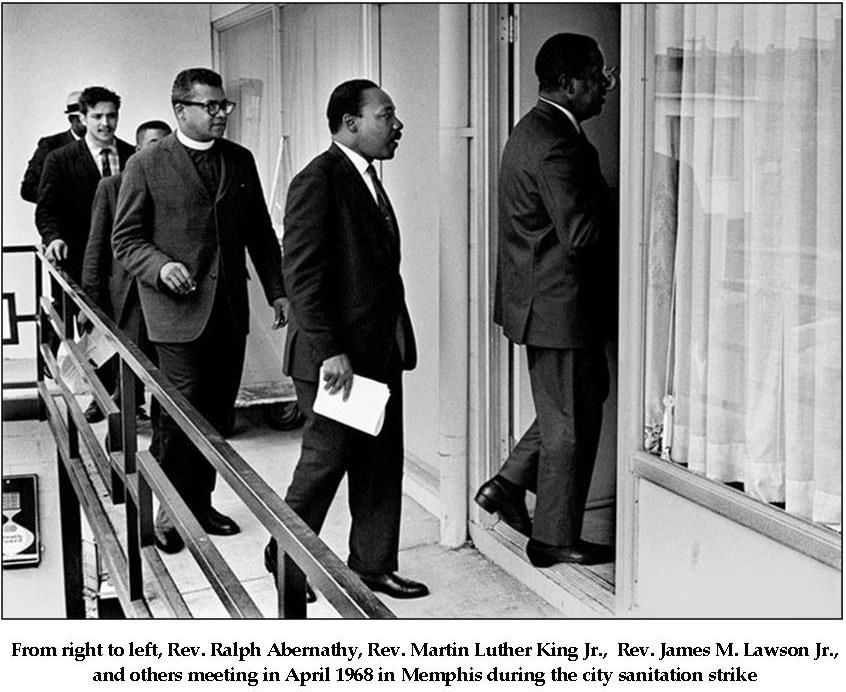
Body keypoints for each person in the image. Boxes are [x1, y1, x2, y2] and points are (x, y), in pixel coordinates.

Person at [112, 68, 286, 555]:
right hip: (174, 316)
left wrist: (278, 290)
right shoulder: (147, 164)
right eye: (209, 106)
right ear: (180, 110)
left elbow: (260, 235)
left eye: (223, 105)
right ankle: (167, 512)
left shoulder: (240, 160)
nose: (220, 114)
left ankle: (201, 503)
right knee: (176, 416)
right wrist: (161, 266)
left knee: (214, 415)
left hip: (228, 312)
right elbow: (125, 240)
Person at [268, 79, 428, 600]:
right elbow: (303, 277)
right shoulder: (318, 180)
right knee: (325, 463)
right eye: (387, 115)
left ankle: (373, 564)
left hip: (377, 352)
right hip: (337, 360)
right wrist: (330, 349)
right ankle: (285, 553)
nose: (397, 125)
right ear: (350, 123)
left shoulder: (366, 179)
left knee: (380, 463)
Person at [474, 33, 617, 567]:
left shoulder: (535, 128)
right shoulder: (561, 143)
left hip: (546, 305)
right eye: (598, 76)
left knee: (576, 407)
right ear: (569, 83)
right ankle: (552, 538)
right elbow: (581, 233)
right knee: (569, 427)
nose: (604, 87)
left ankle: (508, 484)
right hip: (560, 308)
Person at [36, 86, 135, 421]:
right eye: (97, 117)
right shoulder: (60, 159)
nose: (106, 123)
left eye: (111, 116)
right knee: (95, 333)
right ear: (82, 117)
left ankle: (130, 402)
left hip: (126, 264)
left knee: (129, 333)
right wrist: (53, 238)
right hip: (82, 261)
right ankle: (104, 399)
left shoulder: (134, 155)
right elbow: (45, 210)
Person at [79, 120, 173, 421]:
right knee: (128, 359)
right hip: (127, 292)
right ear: (137, 150)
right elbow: (96, 246)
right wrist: (89, 300)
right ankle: (124, 421)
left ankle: (156, 417)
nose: (158, 151)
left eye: (164, 144)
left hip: (164, 291)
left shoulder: (176, 185)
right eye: (152, 144)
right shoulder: (112, 186)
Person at [20, 91, 87, 204]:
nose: (87, 123)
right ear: (70, 119)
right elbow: (28, 188)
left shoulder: (105, 147)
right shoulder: (50, 145)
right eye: (81, 119)